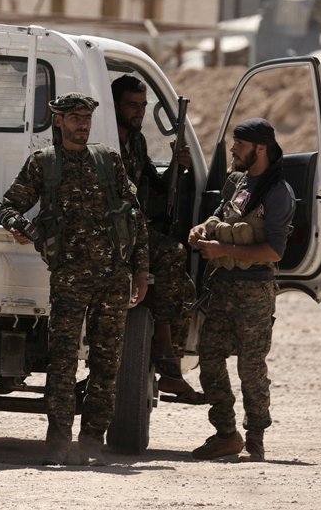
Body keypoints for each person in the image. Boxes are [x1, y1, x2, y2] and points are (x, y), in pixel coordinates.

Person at [0, 92, 148, 467]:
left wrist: (140, 271)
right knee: (62, 362)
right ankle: (58, 442)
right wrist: (21, 227)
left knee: (106, 363)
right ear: (59, 121)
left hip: (113, 277)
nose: (83, 124)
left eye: (87, 118)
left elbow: (135, 217)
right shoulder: (44, 163)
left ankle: (93, 441)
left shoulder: (108, 160)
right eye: (76, 118)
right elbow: (10, 205)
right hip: (69, 278)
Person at [188, 118, 295, 463]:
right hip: (223, 285)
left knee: (251, 367)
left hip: (254, 291)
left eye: (240, 144)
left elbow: (274, 251)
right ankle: (225, 434)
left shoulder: (278, 193)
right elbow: (220, 215)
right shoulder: (237, 182)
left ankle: (255, 437)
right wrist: (201, 229)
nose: (233, 149)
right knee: (209, 360)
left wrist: (223, 250)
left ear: (260, 148)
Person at [111, 75, 203, 403]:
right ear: (115, 106)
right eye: (131, 105)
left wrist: (178, 167)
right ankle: (168, 364)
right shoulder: (103, 141)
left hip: (134, 229)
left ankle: (168, 364)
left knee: (183, 287)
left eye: (142, 106)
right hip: (112, 232)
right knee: (173, 254)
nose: (138, 112)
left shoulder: (136, 142)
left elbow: (155, 184)